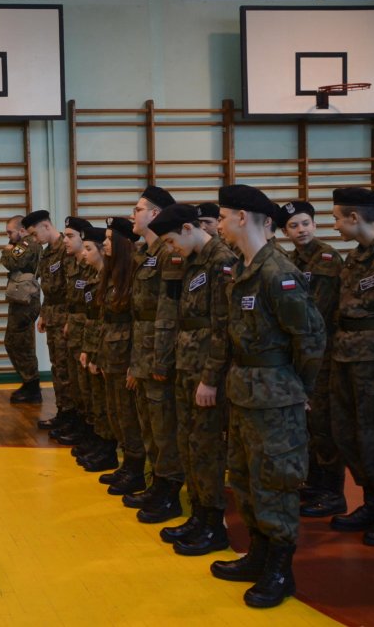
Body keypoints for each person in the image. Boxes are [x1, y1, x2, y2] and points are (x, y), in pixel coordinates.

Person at [209, 184, 325, 609]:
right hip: (244, 391)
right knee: (244, 477)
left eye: (223, 217)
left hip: (276, 396)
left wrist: (300, 389)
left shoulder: (278, 273)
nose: (219, 225)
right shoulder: (242, 268)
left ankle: (280, 569)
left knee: (276, 481)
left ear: (242, 218)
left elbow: (311, 337)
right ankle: (258, 554)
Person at [149, 204, 236, 557]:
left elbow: (223, 325)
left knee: (207, 447)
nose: (171, 248)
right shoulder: (193, 260)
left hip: (206, 371)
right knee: (188, 443)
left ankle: (214, 522)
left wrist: (211, 377)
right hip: (187, 366)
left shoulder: (221, 260)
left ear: (187, 228)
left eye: (172, 240)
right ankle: (198, 514)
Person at [276, 201, 346, 520]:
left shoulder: (327, 258)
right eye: (294, 226)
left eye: (306, 223)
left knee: (323, 425)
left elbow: (314, 312)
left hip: (324, 354)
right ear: (285, 231)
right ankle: (315, 484)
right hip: (301, 354)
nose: (301, 230)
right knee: (307, 424)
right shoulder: (290, 261)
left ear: (315, 225)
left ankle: (332, 492)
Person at [124, 185, 185, 525]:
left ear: (156, 214)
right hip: (142, 347)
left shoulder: (168, 252)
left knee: (164, 426)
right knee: (148, 422)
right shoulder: (144, 252)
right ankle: (156, 483)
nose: (132, 215)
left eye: (138, 209)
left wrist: (161, 358)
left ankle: (169, 491)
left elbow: (168, 311)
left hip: (158, 350)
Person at [329, 187, 374, 546]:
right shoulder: (355, 257)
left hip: (372, 358)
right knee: (350, 434)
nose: (334, 225)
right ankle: (371, 501)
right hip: (347, 356)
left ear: (354, 217)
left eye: (337, 218)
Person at [95, 218, 145, 487]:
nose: (104, 243)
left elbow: (140, 324)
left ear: (123, 243)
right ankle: (126, 464)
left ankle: (136, 470)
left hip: (126, 356)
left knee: (128, 415)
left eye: (108, 238)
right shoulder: (113, 271)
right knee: (115, 411)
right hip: (111, 354)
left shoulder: (135, 271)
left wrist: (135, 364)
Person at [76, 226, 116, 473]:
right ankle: (100, 440)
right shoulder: (96, 276)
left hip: (105, 346)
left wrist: (96, 352)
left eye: (88, 249)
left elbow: (104, 321)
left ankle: (108, 446)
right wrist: (88, 348)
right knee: (95, 397)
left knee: (105, 400)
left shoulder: (109, 279)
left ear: (102, 251)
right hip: (93, 343)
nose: (83, 253)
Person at [52, 216, 95, 447]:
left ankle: (89, 430)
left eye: (70, 236)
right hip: (74, 327)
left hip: (87, 329)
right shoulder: (71, 263)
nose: (65, 240)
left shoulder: (92, 266)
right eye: (65, 235)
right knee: (75, 382)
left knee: (86, 385)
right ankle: (77, 422)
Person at [29, 211, 70, 429]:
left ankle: (71, 415)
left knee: (66, 369)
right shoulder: (47, 253)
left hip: (65, 318)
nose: (34, 239)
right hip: (53, 316)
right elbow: (48, 288)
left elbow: (71, 289)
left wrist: (69, 319)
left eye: (35, 234)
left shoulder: (66, 249)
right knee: (57, 367)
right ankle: (62, 411)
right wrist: (44, 314)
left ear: (46, 226)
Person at [2, 214, 42, 403]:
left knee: (21, 344)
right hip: (20, 299)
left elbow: (11, 262)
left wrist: (6, 252)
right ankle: (29, 383)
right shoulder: (24, 244)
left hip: (25, 301)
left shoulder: (27, 244)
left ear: (22, 230)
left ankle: (32, 386)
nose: (8, 236)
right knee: (15, 342)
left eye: (10, 232)